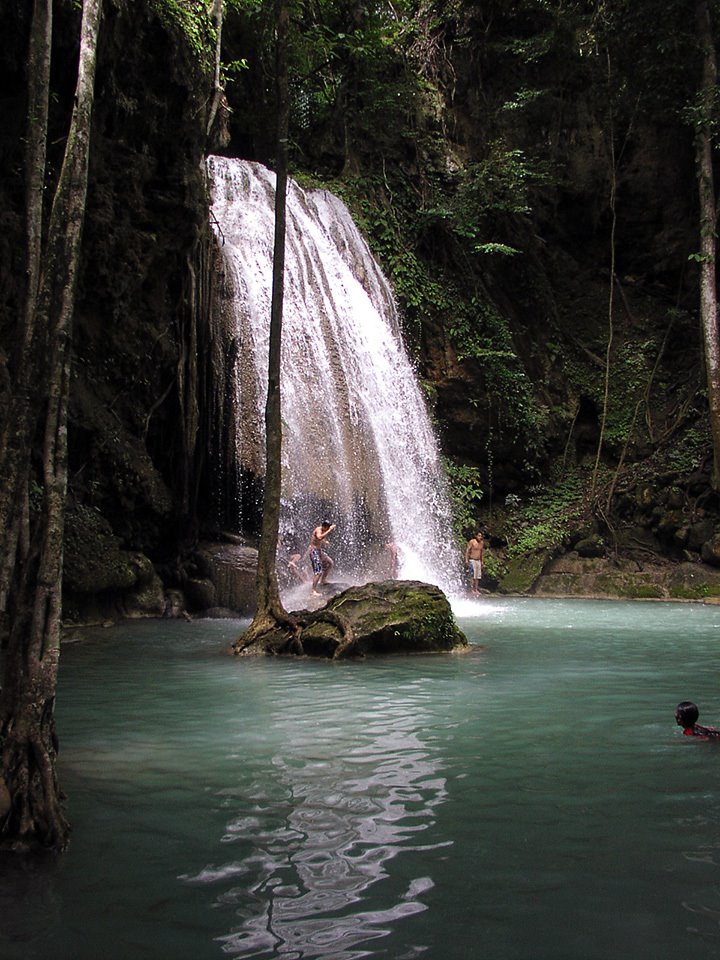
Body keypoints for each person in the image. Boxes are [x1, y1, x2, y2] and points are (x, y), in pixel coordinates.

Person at [307, 520, 336, 597]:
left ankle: (323, 580)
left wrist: (324, 542)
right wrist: (329, 530)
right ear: (325, 527)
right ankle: (313, 590)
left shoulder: (322, 530)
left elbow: (318, 538)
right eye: (327, 528)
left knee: (330, 562)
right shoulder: (318, 530)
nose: (328, 529)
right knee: (318, 572)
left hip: (319, 551)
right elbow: (319, 537)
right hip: (313, 551)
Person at [464, 530, 485, 597]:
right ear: (475, 536)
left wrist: (482, 562)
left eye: (481, 536)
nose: (480, 537)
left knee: (477, 576)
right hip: (472, 560)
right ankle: (471, 590)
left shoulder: (481, 543)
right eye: (479, 535)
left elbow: (481, 553)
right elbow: (467, 551)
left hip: (478, 560)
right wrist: (466, 560)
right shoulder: (472, 542)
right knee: (472, 576)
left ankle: (476, 589)